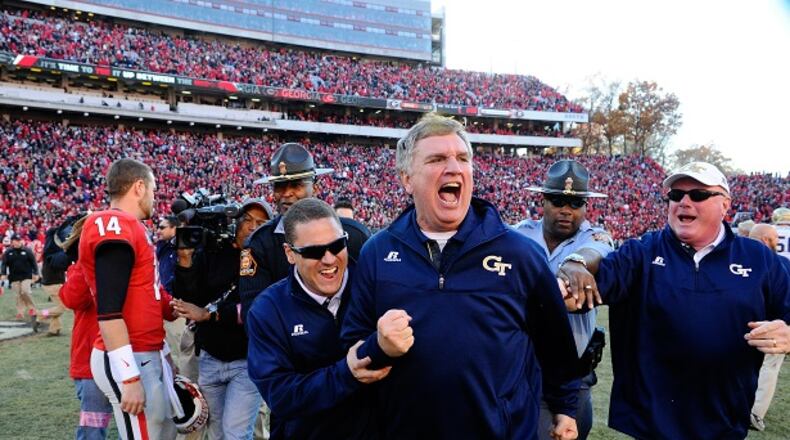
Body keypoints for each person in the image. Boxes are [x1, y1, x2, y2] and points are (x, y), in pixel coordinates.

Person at [341, 113, 581, 439]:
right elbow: (352, 344)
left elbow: (556, 346)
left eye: (462, 158)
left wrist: (565, 408)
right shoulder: (376, 254)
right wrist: (378, 345)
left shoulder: (520, 255)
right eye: (437, 158)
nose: (453, 167)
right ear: (407, 179)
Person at [559, 161, 790, 439]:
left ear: (725, 205)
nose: (684, 202)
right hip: (652, 424)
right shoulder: (641, 252)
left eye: (699, 195)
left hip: (724, 421)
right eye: (676, 195)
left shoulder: (759, 259)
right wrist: (568, 281)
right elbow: (579, 295)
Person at [246, 198, 392, 439]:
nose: (329, 259)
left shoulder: (374, 286)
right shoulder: (267, 311)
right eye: (314, 251)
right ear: (289, 254)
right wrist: (346, 373)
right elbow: (281, 396)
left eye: (337, 245)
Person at [80, 158, 178, 440]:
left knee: (163, 427)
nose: (154, 197)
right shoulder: (113, 223)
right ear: (138, 187)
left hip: (147, 348)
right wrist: (130, 377)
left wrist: (179, 310)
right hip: (128, 353)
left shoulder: (134, 227)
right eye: (153, 189)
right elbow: (109, 312)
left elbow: (148, 293)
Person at [514, 160, 613, 440]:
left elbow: (599, 250)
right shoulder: (518, 234)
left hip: (572, 373)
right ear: (542, 201)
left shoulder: (593, 238)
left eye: (576, 203)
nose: (566, 210)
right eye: (557, 201)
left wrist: (576, 263)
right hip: (522, 367)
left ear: (586, 207)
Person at [169, 198, 272, 439]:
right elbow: (189, 297)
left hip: (246, 360)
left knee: (235, 434)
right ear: (236, 222)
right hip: (210, 357)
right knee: (216, 433)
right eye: (247, 220)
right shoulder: (215, 252)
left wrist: (210, 314)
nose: (253, 226)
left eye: (261, 222)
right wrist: (185, 259)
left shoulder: (266, 259)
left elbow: (256, 309)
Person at [239, 142, 370, 320]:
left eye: (296, 185)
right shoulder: (260, 244)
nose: (287, 193)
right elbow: (255, 315)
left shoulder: (353, 235)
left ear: (314, 187)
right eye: (280, 186)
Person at [57, 214, 115, 439]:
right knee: (94, 426)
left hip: (110, 355)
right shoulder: (84, 266)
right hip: (93, 358)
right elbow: (74, 299)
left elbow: (71, 298)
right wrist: (83, 260)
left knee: (124, 423)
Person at [749, 223, 789, 431]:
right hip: (770, 327)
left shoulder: (733, 257)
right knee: (769, 368)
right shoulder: (780, 263)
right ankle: (755, 412)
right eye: (774, 238)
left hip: (740, 323)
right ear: (766, 240)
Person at [1, 233, 40, 327]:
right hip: (14, 276)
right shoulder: (8, 252)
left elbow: (33, 262)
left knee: (25, 291)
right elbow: (4, 264)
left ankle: (32, 308)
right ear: (12, 242)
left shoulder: (27, 250)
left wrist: (36, 273)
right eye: (16, 241)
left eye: (19, 240)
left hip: (26, 275)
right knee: (18, 295)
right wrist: (3, 273)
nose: (18, 242)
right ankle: (20, 312)